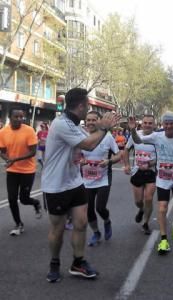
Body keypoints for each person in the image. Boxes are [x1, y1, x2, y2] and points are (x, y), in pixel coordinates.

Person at [41, 88, 120, 283]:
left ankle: (78, 262)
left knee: (81, 223)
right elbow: (89, 145)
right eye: (88, 106)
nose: (89, 110)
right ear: (81, 105)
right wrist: (104, 127)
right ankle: (54, 262)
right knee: (57, 229)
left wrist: (102, 129)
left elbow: (88, 142)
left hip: (75, 182)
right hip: (56, 185)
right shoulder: (61, 124)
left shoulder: (75, 124)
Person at [129, 111, 173, 255]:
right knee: (162, 208)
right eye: (166, 123)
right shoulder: (156, 136)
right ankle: (163, 240)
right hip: (162, 178)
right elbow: (138, 141)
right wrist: (132, 129)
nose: (168, 126)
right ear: (163, 124)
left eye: (171, 123)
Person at [81, 111, 121, 246]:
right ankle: (96, 232)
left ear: (99, 121)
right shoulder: (81, 136)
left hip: (103, 178)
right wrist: (79, 161)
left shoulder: (108, 137)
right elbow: (75, 155)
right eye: (88, 120)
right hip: (86, 179)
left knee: (100, 208)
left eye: (94, 120)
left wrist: (109, 161)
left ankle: (107, 220)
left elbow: (118, 155)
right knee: (89, 209)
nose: (90, 122)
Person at [0, 108, 42, 236]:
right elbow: (1, 151)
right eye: (16, 117)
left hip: (27, 171)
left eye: (21, 117)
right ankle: (18, 224)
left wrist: (15, 159)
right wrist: (8, 160)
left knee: (24, 199)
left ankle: (35, 203)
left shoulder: (29, 130)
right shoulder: (3, 132)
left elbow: (33, 152)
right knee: (12, 199)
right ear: (10, 118)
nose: (19, 119)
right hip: (12, 170)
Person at [123, 115, 157, 235]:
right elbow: (126, 150)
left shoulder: (157, 137)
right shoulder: (135, 134)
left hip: (151, 172)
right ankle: (142, 210)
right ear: (141, 124)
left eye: (150, 123)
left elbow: (162, 156)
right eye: (145, 122)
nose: (147, 125)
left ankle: (146, 223)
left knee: (148, 198)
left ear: (154, 125)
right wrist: (127, 165)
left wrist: (151, 163)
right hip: (137, 171)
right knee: (138, 201)